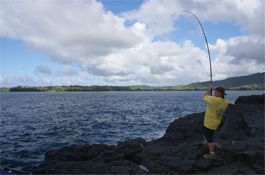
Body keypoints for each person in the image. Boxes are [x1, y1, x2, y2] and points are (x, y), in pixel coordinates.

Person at [201, 85, 228, 159]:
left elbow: (205, 96)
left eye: (216, 91)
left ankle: (212, 154)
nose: (214, 92)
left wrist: (209, 88)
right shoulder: (225, 101)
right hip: (215, 121)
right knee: (203, 130)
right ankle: (206, 142)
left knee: (210, 137)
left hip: (210, 122)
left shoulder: (214, 100)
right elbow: (216, 102)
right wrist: (213, 98)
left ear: (220, 93)